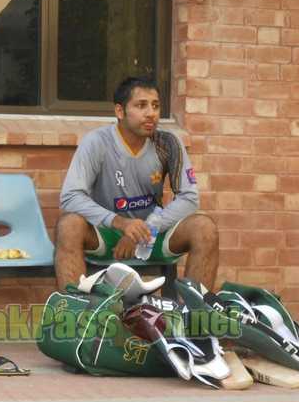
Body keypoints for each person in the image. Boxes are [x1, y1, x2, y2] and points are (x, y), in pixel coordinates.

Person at [54, 76, 219, 291]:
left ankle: (193, 318)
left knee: (204, 228)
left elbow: (189, 198)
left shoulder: (168, 143)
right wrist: (121, 223)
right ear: (120, 112)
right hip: (106, 234)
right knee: (68, 225)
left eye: (156, 106)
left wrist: (145, 231)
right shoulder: (97, 142)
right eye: (141, 105)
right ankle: (76, 314)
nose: (151, 113)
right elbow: (70, 197)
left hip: (154, 235)